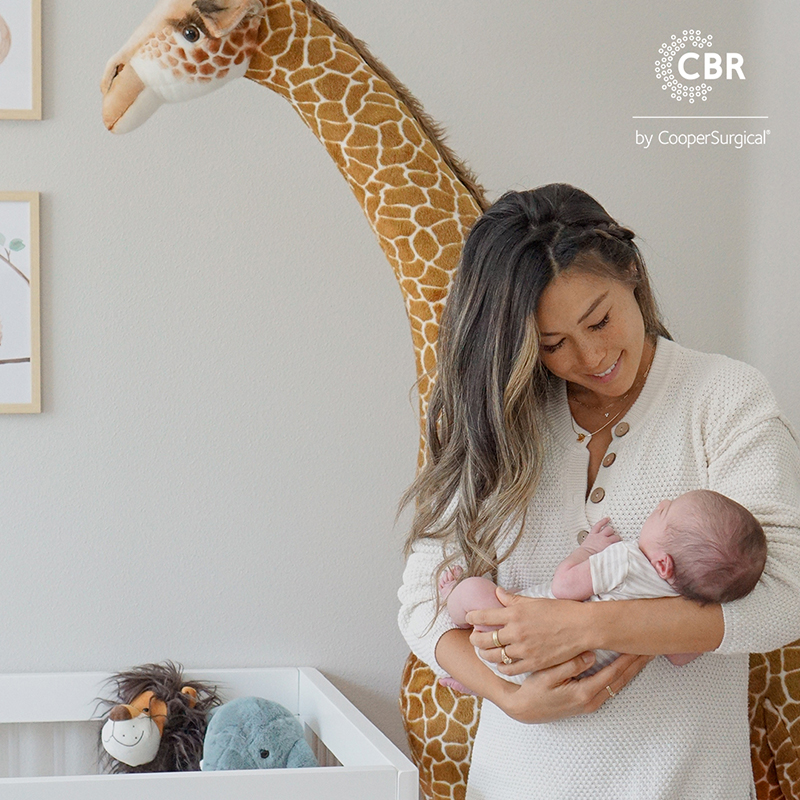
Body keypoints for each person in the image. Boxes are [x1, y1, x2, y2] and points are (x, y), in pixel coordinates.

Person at [397, 184, 800, 799]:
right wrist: (509, 696)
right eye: (552, 344)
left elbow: (785, 597)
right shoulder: (500, 419)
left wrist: (584, 627)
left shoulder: (723, 397)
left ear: (630, 272)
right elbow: (421, 601)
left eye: (599, 320)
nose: (591, 357)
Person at [438, 489, 767, 692]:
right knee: (509, 603)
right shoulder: (683, 607)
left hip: (515, 641)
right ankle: (479, 682)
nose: (661, 503)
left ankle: (452, 598)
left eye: (664, 512)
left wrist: (590, 549)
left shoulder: (628, 560)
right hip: (565, 679)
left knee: (475, 590)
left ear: (663, 564)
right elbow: (680, 657)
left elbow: (564, 586)